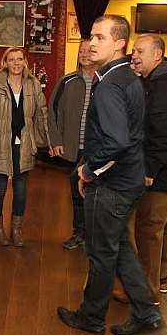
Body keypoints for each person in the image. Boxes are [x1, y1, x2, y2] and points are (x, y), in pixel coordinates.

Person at [57, 15, 161, 335]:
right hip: (128, 180)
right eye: (91, 36)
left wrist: (88, 171)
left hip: (113, 184)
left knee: (101, 253)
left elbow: (116, 142)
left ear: (119, 43)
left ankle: (91, 318)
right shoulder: (127, 77)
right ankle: (146, 311)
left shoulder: (110, 85)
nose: (91, 43)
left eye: (100, 37)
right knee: (121, 248)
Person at [129, 34, 167, 300]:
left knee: (149, 229)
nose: (134, 56)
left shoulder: (163, 86)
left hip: (162, 172)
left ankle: (146, 293)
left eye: (140, 51)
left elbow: (166, 137)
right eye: (133, 51)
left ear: (157, 55)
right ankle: (162, 279)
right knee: (161, 227)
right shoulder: (157, 81)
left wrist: (149, 170)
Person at [0, 46, 48, 247]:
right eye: (11, 59)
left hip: (24, 142)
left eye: (19, 59)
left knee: (21, 189)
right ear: (5, 62)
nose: (16, 63)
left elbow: (42, 113)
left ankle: (16, 229)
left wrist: (44, 141)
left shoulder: (33, 84)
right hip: (1, 142)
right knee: (0, 188)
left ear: (24, 62)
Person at [48, 38, 98, 250]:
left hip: (97, 149)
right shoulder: (67, 81)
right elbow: (52, 112)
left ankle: (94, 236)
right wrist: (56, 141)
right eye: (81, 51)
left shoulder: (104, 82)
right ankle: (79, 233)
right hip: (74, 147)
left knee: (94, 194)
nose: (84, 54)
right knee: (77, 192)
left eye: (88, 50)